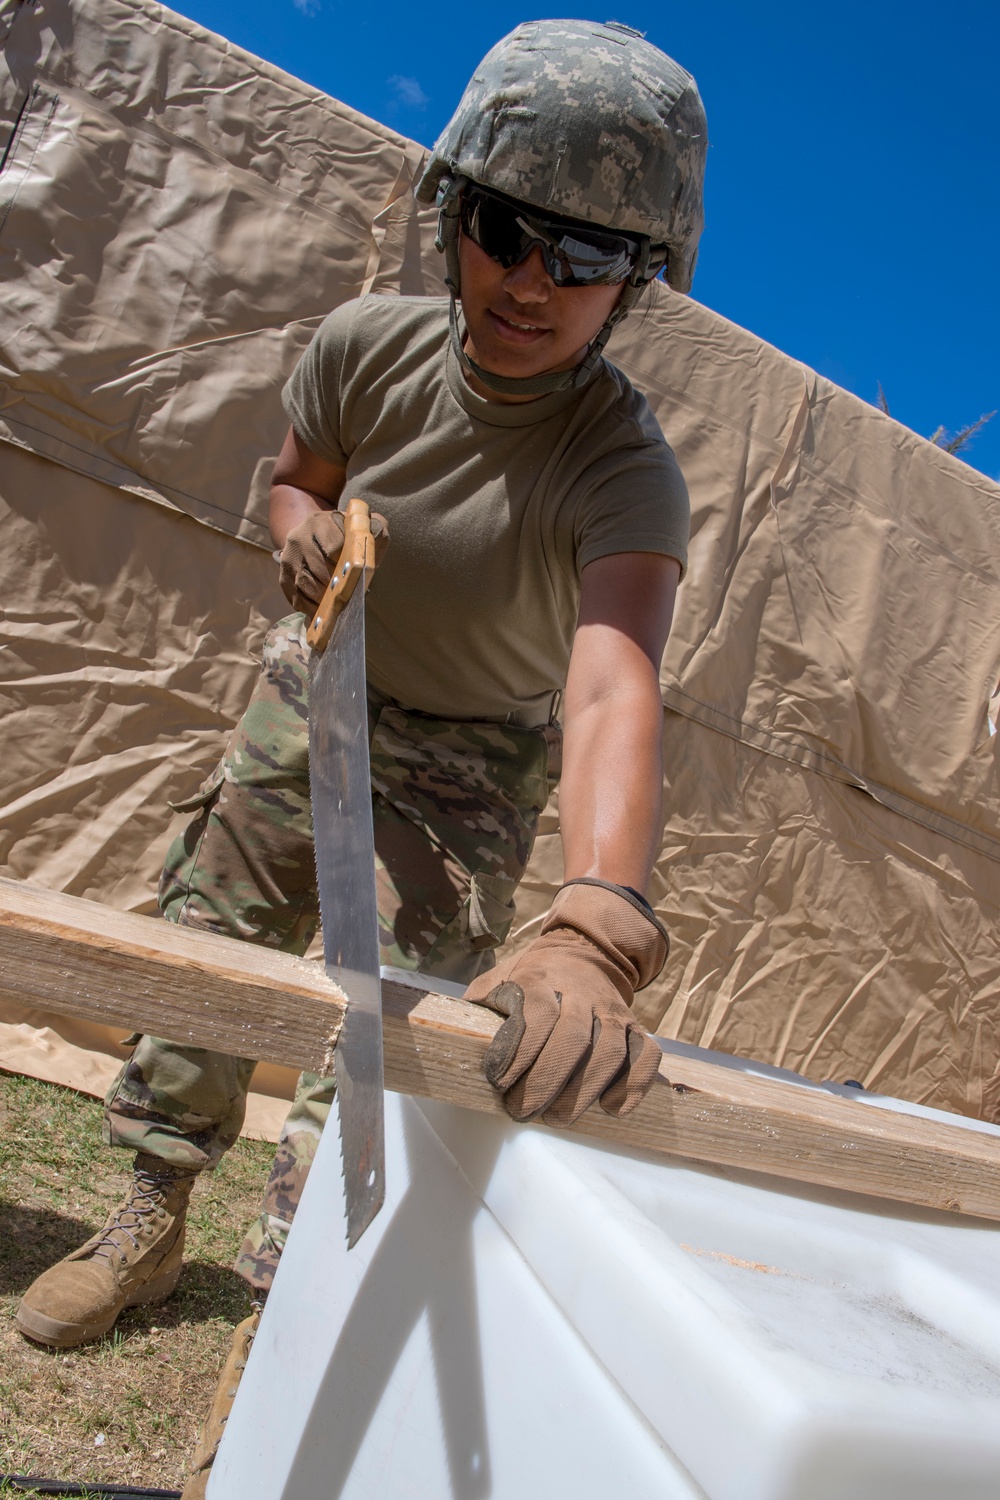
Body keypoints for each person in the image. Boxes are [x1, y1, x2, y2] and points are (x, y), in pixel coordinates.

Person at [16, 16, 707, 1489]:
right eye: (509, 228)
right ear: (453, 215)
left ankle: (298, 1308)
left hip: (472, 758)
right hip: (320, 684)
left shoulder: (622, 466)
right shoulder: (364, 350)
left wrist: (598, 921)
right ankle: (147, 1217)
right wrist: (296, 534)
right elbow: (291, 481)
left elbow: (608, 685)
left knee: (380, 1036)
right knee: (206, 945)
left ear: (638, 285)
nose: (533, 280)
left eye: (586, 257)